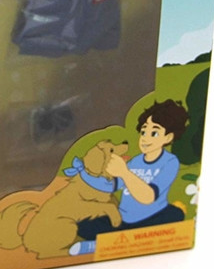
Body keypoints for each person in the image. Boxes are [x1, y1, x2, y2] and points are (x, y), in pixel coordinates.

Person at [70, 99, 187, 255]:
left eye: (154, 133)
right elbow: (112, 185)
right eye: (143, 132)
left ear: (168, 137)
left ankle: (96, 246)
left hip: (152, 217)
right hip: (124, 218)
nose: (145, 138)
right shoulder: (136, 161)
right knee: (83, 223)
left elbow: (148, 197)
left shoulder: (170, 162)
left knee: (175, 214)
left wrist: (124, 172)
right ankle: (122, 237)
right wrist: (85, 174)